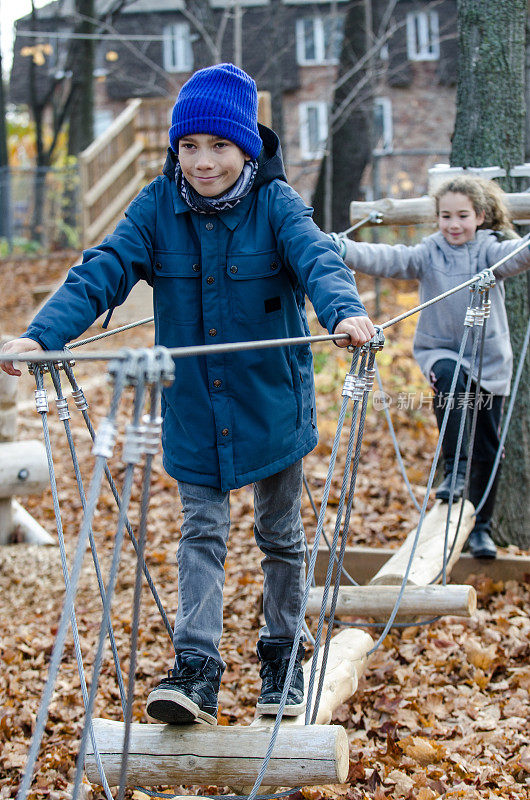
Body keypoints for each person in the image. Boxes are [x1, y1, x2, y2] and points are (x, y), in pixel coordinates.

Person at [1, 63, 374, 725]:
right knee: (201, 532)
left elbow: (318, 258)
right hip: (195, 407)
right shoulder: (156, 206)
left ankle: (283, 654)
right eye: (189, 147)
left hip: (271, 404)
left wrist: (343, 313)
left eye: (219, 147)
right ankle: (195, 669)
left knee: (280, 535)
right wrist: (41, 336)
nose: (202, 162)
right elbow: (105, 267)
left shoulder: (277, 204)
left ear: (246, 149)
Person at [330, 174, 530, 560]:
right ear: (437, 219)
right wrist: (341, 247)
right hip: (441, 352)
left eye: (462, 216)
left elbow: (519, 255)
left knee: (488, 447)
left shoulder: (490, 251)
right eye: (445, 216)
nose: (453, 224)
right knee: (452, 385)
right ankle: (454, 470)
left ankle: (481, 528)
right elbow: (388, 258)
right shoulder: (429, 253)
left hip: (488, 362)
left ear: (480, 216)